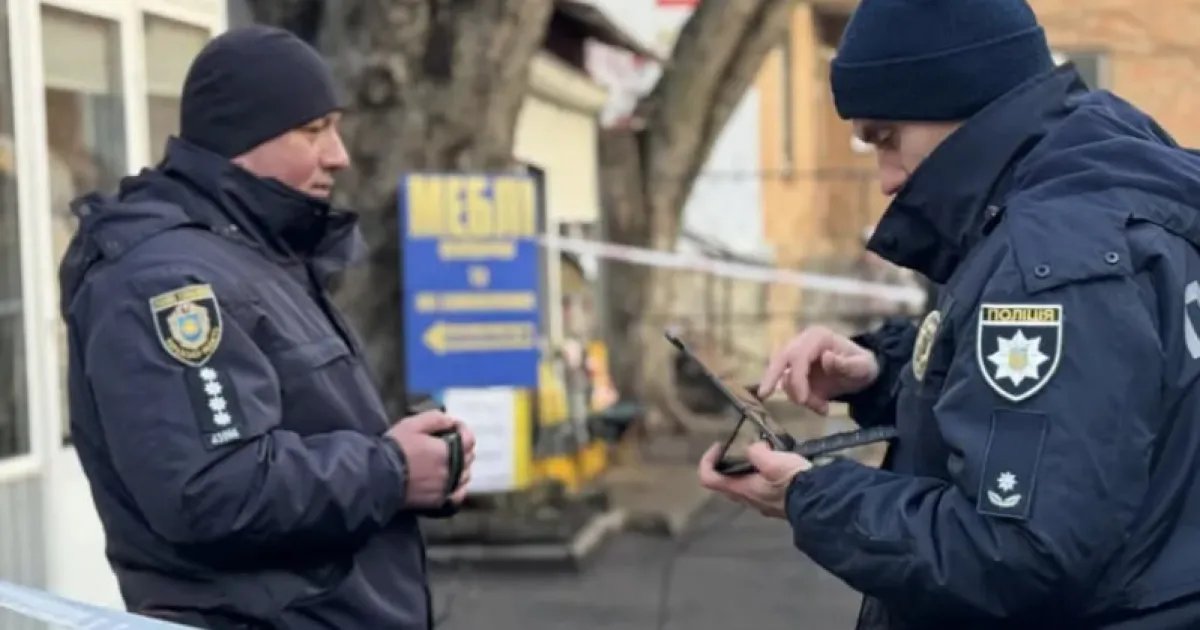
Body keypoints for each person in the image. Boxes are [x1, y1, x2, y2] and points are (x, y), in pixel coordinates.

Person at [698, 1, 1200, 628]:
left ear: (962, 102)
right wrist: (884, 373)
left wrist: (809, 495)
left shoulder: (1051, 258)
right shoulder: (1125, 185)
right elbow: (1106, 391)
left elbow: (1013, 554)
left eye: (887, 138)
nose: (885, 178)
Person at [58, 25, 475, 629]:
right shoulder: (170, 280)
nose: (339, 154)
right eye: (313, 131)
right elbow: (212, 489)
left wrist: (412, 463)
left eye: (334, 126)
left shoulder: (255, 256)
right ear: (239, 138)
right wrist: (393, 470)